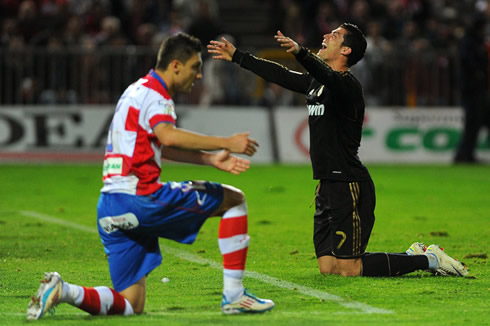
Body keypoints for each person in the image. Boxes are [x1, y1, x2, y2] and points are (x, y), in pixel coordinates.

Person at [26, 32, 274, 320]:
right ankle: (234, 296)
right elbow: (167, 136)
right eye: (195, 67)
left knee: (131, 303)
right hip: (140, 200)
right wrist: (226, 143)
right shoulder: (157, 96)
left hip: (110, 208)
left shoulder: (134, 91)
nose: (199, 75)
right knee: (234, 200)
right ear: (176, 66)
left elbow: (156, 144)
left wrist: (207, 160)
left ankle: (63, 291)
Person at [208, 24, 469, 278]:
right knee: (328, 268)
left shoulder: (348, 87)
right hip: (326, 185)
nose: (325, 35)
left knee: (349, 269)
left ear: (346, 51)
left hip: (348, 184)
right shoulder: (316, 83)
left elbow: (329, 76)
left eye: (335, 35)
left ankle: (428, 259)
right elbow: (281, 76)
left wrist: (301, 52)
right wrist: (238, 57)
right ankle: (412, 254)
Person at [454, 14, 489, 163]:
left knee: (475, 123)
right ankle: (464, 156)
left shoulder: (473, 41)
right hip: (472, 89)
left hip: (476, 88)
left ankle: (466, 155)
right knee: (472, 123)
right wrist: (479, 73)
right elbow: (469, 62)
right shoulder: (470, 41)